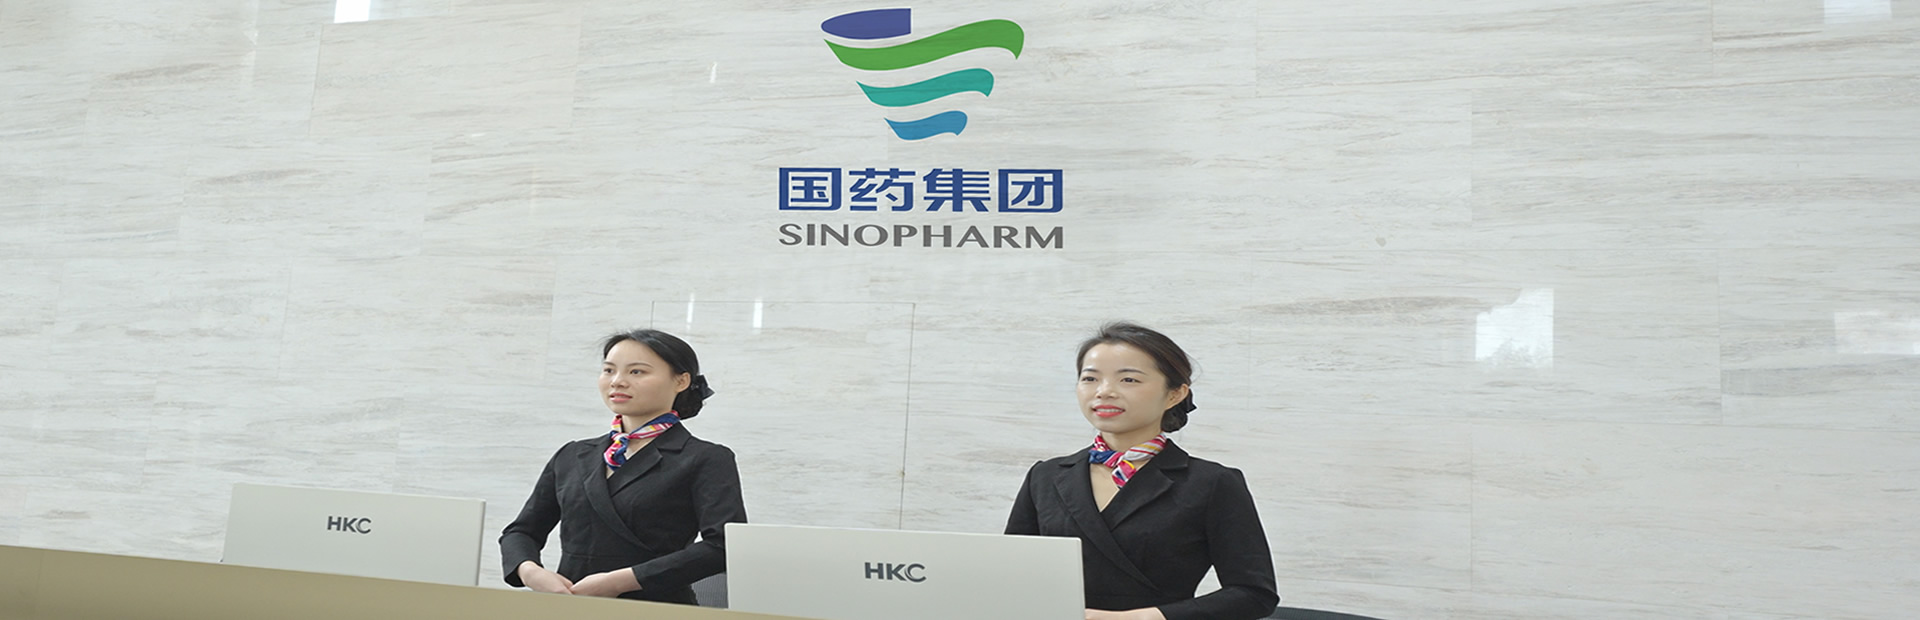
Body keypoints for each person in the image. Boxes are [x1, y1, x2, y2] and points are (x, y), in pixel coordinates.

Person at [1006, 322, 1280, 620]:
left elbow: (1253, 594)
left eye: (1129, 379)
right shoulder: (1045, 476)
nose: (1104, 391)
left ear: (1175, 394)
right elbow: (1010, 574)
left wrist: (1141, 618)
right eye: (1090, 378)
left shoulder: (1212, 483)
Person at [499, 329, 746, 604]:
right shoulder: (572, 454)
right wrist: (530, 571)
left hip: (656, 607)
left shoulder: (706, 458)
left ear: (681, 381)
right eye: (609, 370)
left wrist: (620, 581)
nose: (617, 381)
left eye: (637, 372)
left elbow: (722, 546)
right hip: (571, 604)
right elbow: (521, 532)